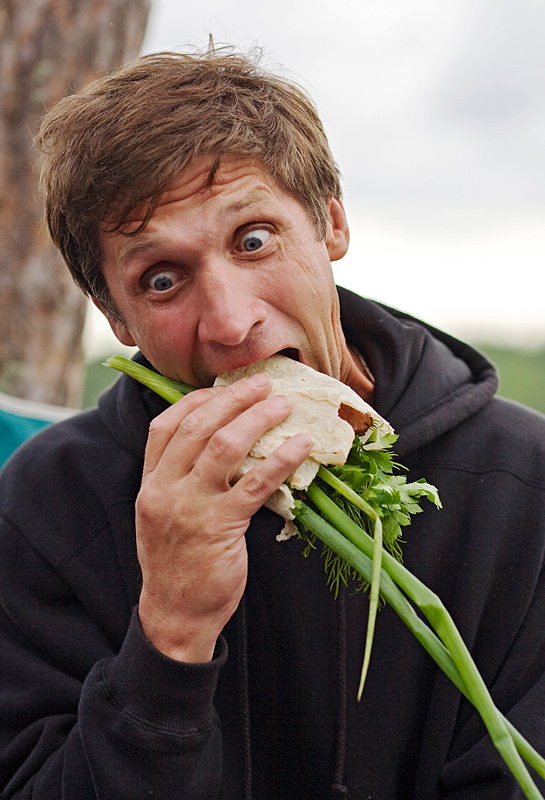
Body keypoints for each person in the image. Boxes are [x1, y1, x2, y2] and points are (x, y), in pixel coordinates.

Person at [1, 48, 545, 800]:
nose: (231, 322)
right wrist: (170, 632)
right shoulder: (43, 506)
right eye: (162, 279)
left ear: (331, 223)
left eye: (253, 239)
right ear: (115, 318)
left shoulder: (524, 481)